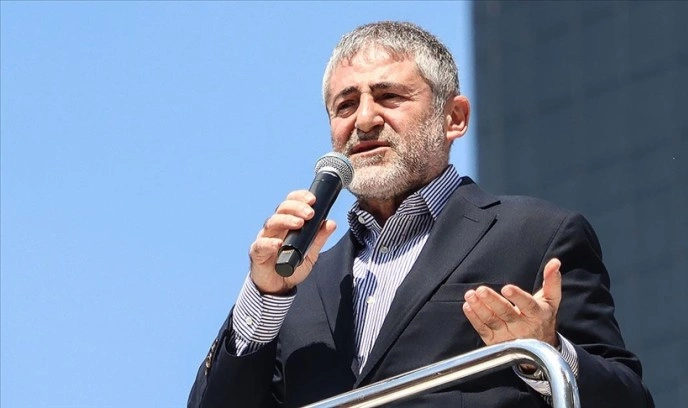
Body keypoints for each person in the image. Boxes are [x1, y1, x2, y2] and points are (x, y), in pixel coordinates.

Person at [188, 21, 654, 407]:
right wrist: (264, 295)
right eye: (345, 105)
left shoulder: (535, 235)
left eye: (389, 96)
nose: (364, 120)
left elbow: (629, 399)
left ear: (454, 118)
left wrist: (545, 352)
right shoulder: (297, 288)